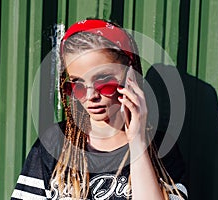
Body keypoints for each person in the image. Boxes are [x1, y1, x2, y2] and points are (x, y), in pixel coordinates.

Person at [11, 19, 188, 200]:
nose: (90, 96)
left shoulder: (160, 149)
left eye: (104, 81)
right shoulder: (55, 143)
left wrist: (138, 142)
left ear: (131, 76)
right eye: (77, 85)